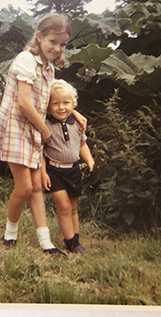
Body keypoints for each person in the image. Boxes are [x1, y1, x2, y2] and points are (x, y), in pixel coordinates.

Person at [0, 13, 86, 256]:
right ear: (39, 37)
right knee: (24, 188)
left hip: (33, 130)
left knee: (38, 186)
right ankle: (10, 232)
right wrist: (44, 130)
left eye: (62, 44)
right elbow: (23, 103)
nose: (57, 48)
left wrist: (77, 114)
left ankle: (46, 243)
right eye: (53, 41)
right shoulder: (26, 60)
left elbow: (55, 98)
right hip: (17, 129)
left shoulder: (49, 69)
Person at [42, 79, 102, 254]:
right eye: (56, 103)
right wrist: (43, 172)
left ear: (73, 104)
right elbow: (39, 151)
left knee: (74, 208)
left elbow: (82, 145)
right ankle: (70, 243)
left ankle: (76, 239)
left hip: (73, 170)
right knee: (64, 207)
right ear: (48, 106)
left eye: (66, 103)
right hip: (54, 171)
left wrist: (90, 162)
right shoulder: (45, 125)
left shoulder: (77, 123)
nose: (61, 107)